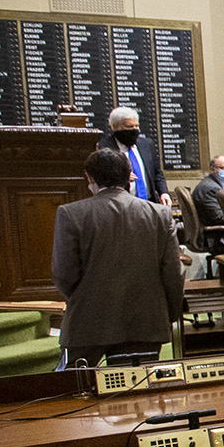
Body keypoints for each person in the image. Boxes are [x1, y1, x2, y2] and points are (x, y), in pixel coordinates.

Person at [53, 148, 184, 367]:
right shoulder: (160, 214)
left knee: (77, 394)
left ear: (90, 177)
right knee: (136, 395)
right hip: (145, 321)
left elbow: (63, 274)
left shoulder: (70, 213)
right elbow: (173, 273)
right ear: (129, 176)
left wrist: (85, 297)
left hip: (87, 323)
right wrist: (168, 314)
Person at [96, 107, 170, 206]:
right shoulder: (103, 147)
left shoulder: (146, 144)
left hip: (149, 202)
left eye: (137, 126)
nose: (135, 130)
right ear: (114, 127)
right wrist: (120, 177)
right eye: (130, 127)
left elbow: (157, 173)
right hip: (121, 205)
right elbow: (101, 176)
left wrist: (163, 193)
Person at [191, 156, 224, 254]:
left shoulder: (215, 185)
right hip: (213, 237)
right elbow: (219, 217)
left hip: (216, 233)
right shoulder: (210, 188)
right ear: (212, 169)